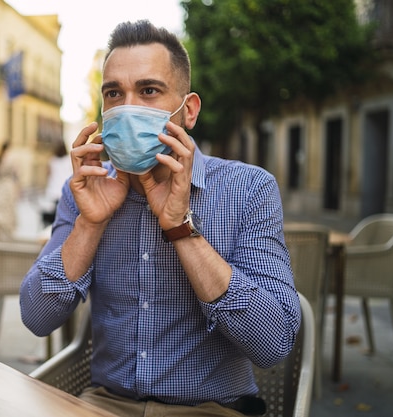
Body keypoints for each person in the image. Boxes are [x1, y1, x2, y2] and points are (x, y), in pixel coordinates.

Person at [20, 20, 300, 416]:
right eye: (114, 93)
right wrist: (90, 223)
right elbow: (36, 317)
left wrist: (180, 228)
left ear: (188, 111)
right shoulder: (83, 191)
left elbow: (272, 342)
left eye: (149, 91)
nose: (128, 107)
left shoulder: (249, 190)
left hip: (211, 408)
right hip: (105, 404)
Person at [41, 142, 72, 226]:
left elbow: (48, 174)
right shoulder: (68, 159)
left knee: (53, 213)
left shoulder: (52, 160)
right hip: (65, 189)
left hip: (53, 189)